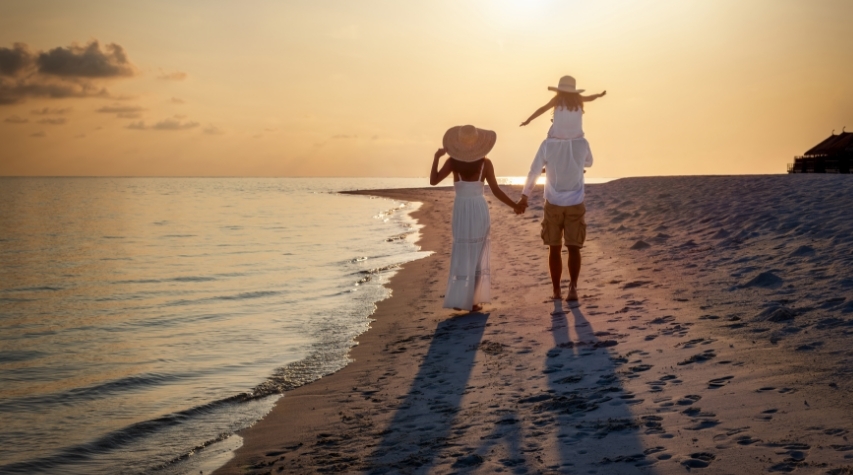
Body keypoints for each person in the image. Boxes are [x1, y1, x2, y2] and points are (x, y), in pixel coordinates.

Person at [518, 75, 606, 302]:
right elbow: (589, 163)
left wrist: (524, 196)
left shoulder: (547, 143)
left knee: (554, 248)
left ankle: (557, 290)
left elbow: (533, 171)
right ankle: (573, 289)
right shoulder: (582, 142)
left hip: (553, 201)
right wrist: (574, 164)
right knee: (574, 247)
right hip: (576, 200)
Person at [430, 125, 525, 312]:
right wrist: (515, 206)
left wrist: (436, 158)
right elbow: (496, 190)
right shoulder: (485, 164)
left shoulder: (452, 162)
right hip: (479, 209)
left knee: (463, 251)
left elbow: (433, 181)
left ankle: (460, 300)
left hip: (461, 208)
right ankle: (472, 301)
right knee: (478, 253)